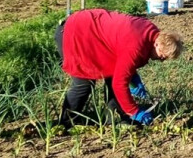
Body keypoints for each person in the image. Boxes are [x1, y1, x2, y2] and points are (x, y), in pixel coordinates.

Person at [54, 8, 183, 128]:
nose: (162, 60)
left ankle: (114, 118)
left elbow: (124, 57)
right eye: (162, 56)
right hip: (76, 33)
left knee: (112, 75)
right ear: (157, 44)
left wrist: (133, 78)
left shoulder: (151, 33)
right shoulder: (136, 45)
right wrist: (135, 111)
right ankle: (66, 122)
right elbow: (119, 83)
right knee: (84, 83)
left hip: (93, 35)